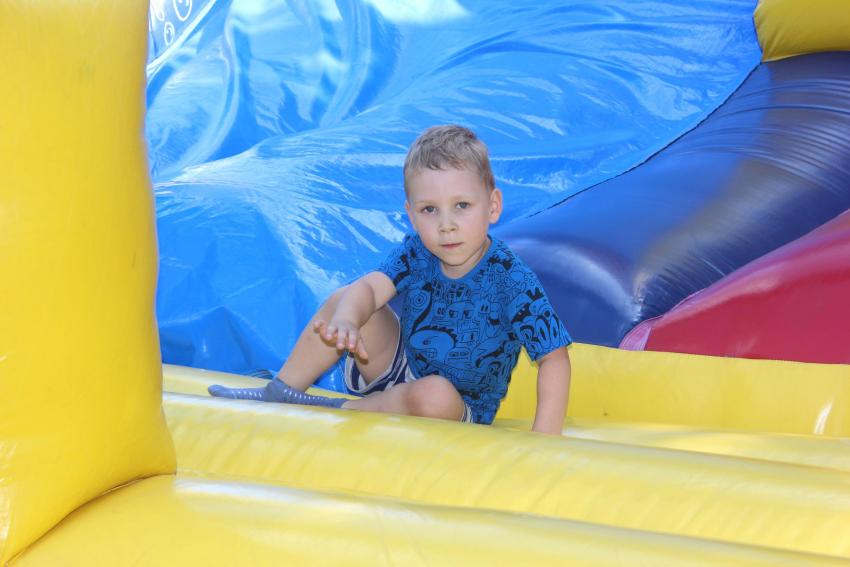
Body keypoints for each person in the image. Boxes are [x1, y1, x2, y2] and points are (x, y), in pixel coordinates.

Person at [209, 125, 572, 434]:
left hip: (454, 406)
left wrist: (543, 440)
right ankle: (280, 391)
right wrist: (348, 321)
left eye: (462, 206)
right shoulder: (417, 252)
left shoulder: (511, 279)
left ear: (493, 206)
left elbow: (553, 358)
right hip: (399, 366)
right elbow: (371, 287)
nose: (446, 225)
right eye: (430, 210)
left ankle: (351, 409)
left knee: (433, 393)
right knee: (347, 297)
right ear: (411, 215)